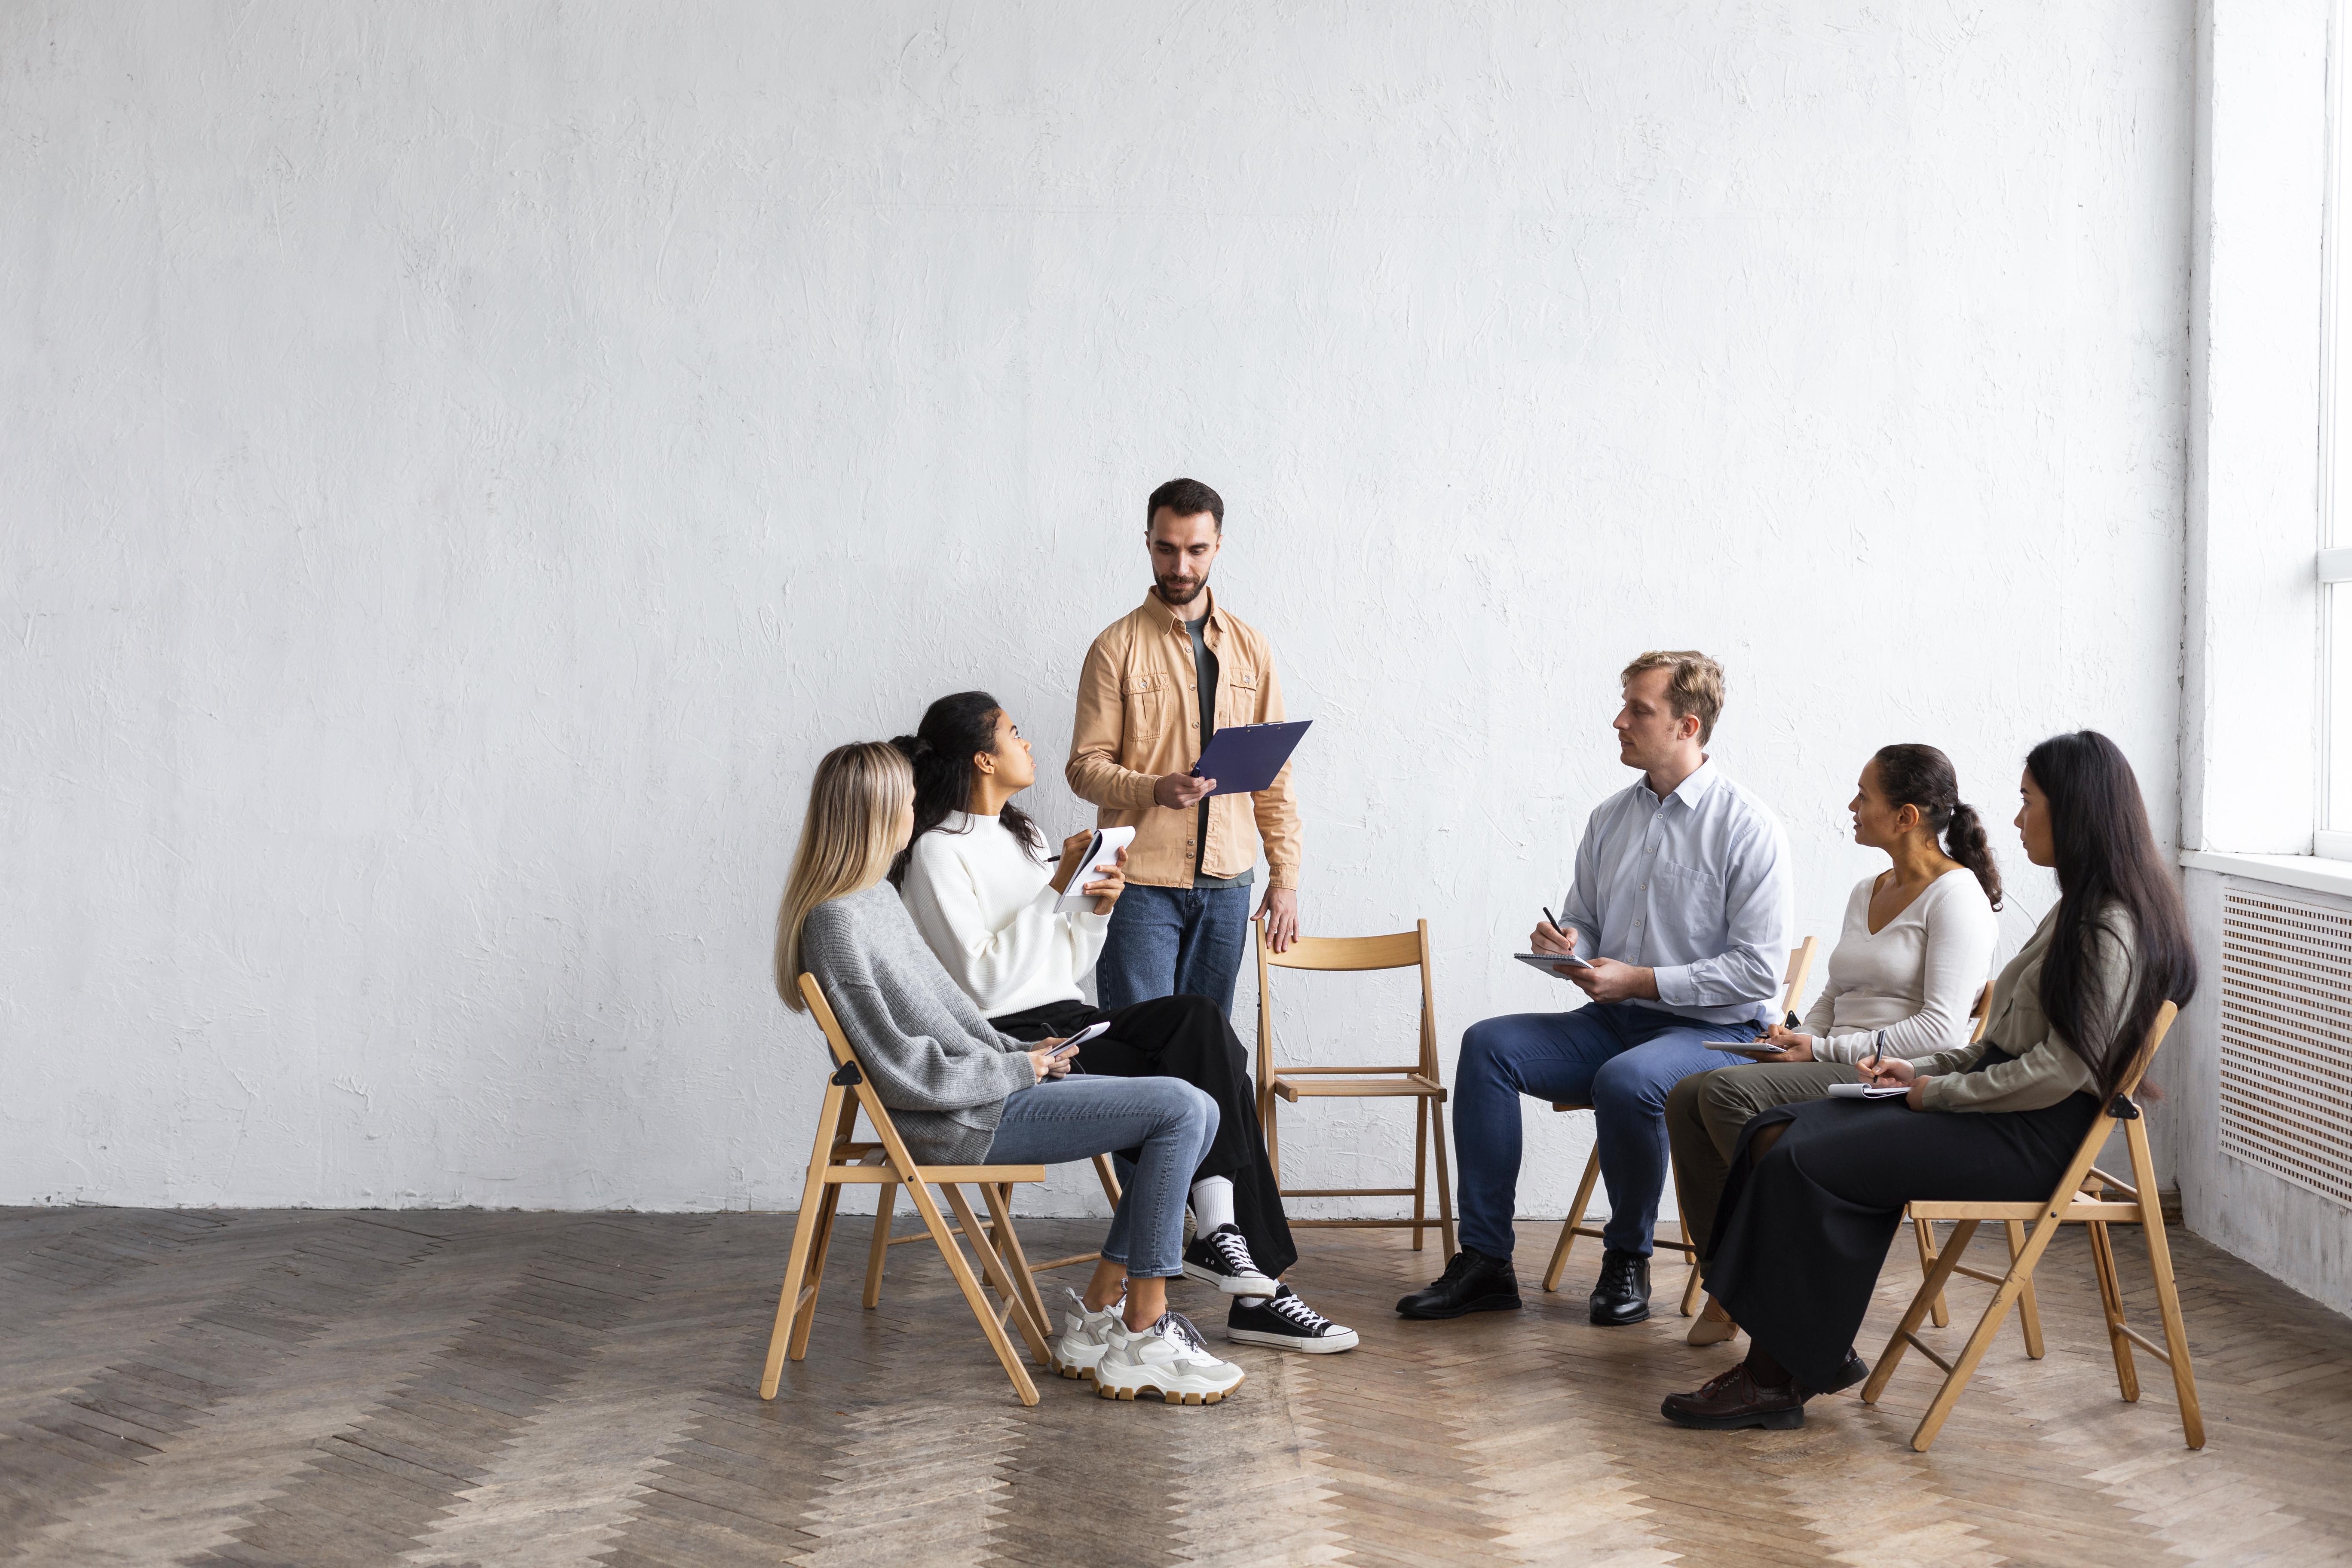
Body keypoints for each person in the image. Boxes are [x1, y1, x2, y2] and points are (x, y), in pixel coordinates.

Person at [1662, 730, 2196, 1430]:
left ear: (2073, 810)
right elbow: (1998, 1048)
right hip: (2003, 1112)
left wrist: (1931, 1091)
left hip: (2032, 1138)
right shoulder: (2076, 909)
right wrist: (1916, 1071)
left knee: (1799, 1155)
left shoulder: (2107, 926)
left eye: (2028, 801)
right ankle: (1801, 1348)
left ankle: (1771, 1380)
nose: (2016, 819)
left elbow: (2056, 1072)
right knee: (1774, 1129)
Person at [775, 739, 1249, 1405]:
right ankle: (1142, 1328)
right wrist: (1018, 1068)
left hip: (986, 1090)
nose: (916, 811)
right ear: (878, 813)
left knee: (1197, 1103)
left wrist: (1030, 1052)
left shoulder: (873, 901)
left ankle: (1101, 1312)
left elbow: (954, 1020)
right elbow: (901, 1072)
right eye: (907, 802)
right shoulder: (837, 924)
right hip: (957, 1120)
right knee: (1182, 1107)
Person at [891, 692, 1357, 1354]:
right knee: (1210, 1073)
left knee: (1199, 1024)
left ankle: (1219, 1233)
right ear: (983, 759)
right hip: (1012, 1042)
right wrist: (1058, 891)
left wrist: (1095, 911)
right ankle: (1255, 1287)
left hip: (1069, 1017)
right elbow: (985, 982)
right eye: (1013, 733)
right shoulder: (938, 852)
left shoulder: (1026, 838)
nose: (1028, 743)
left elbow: (1066, 966)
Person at [1399, 651, 1793, 1328]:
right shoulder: (1610, 817)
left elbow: (1758, 971)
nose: (1619, 721)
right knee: (1487, 1046)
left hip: (1719, 1035)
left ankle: (1628, 1258)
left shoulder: (1747, 827)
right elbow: (1583, 917)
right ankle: (1487, 1262)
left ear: (1687, 726)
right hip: (1616, 1022)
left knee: (1627, 1080)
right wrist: (1568, 943)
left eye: (1639, 710)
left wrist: (1637, 980)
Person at [1667, 744, 2002, 1346]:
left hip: (1892, 1075)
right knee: (1686, 1095)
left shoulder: (1958, 898)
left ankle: (1767, 1277)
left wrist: (1824, 1051)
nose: (1852, 806)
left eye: (1864, 796)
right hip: (1836, 1059)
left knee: (1722, 1094)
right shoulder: (1867, 889)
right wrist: (1799, 1037)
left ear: (1905, 817)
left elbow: (1940, 1030)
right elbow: (1835, 994)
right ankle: (1733, 1282)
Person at [1066, 477, 1302, 1017]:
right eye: (1166, 549)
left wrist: (1285, 878)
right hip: (1138, 883)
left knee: (1205, 1046)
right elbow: (1084, 768)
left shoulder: (1252, 648)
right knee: (1140, 1045)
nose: (1180, 567)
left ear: (1217, 546)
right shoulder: (1114, 648)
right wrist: (1154, 790)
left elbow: (1275, 773)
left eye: (1196, 550)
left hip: (1228, 884)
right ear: (1148, 543)